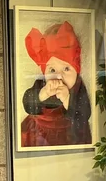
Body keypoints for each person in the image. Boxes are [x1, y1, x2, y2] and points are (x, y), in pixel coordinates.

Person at [21, 20, 93, 148]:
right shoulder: (42, 84)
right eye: (52, 70)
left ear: (77, 70)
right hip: (39, 134)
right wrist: (43, 94)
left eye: (66, 69)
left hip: (70, 136)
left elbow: (83, 116)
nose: (59, 76)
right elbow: (28, 103)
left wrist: (67, 99)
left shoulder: (78, 88)